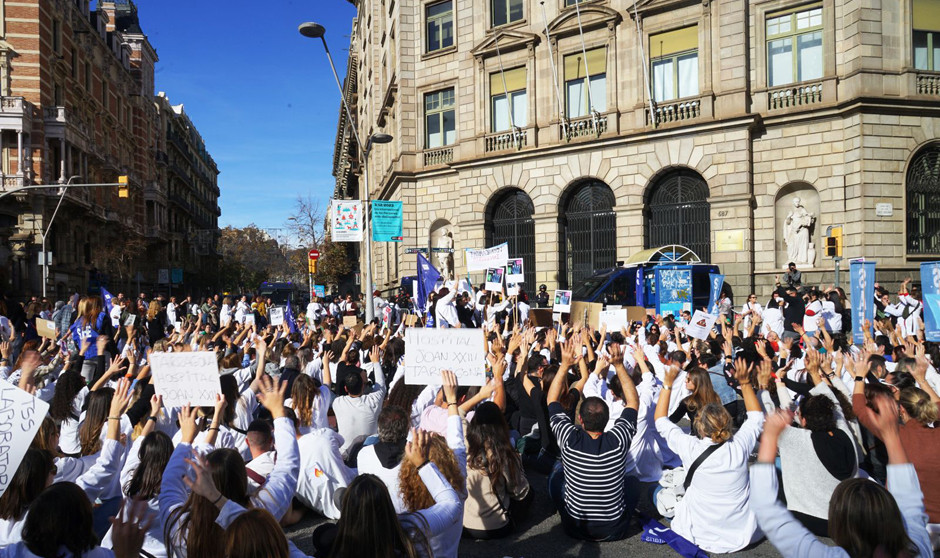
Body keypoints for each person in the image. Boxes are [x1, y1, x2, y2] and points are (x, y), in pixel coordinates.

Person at [750, 393, 932, 558]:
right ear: (893, 515)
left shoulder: (827, 555)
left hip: (808, 518)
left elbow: (766, 509)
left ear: (842, 525)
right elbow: (910, 502)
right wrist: (891, 435)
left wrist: (770, 436)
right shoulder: (918, 545)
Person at [654, 360, 764, 553]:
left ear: (701, 427)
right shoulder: (739, 446)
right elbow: (756, 417)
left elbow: (661, 421)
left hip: (700, 532)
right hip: (742, 533)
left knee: (655, 493)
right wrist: (745, 383)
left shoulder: (689, 446)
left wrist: (667, 384)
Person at [548, 340, 640, 541]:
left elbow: (552, 401)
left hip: (575, 528)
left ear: (580, 419)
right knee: (633, 482)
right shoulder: (619, 440)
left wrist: (564, 366)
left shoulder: (568, 438)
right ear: (608, 422)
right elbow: (633, 402)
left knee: (556, 472)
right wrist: (618, 365)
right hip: (613, 530)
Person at [463, 401, 531, 539]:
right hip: (497, 528)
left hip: (465, 526)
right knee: (529, 493)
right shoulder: (502, 453)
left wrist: (480, 395)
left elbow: (458, 413)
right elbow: (518, 492)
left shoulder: (464, 444)